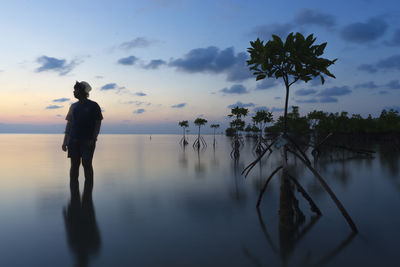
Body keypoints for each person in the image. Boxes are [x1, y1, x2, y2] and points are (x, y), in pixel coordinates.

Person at [62, 81, 103, 187]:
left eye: (76, 89)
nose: (74, 92)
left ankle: (88, 193)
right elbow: (69, 124)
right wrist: (65, 141)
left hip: (88, 140)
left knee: (87, 163)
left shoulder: (94, 106)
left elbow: (98, 122)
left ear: (82, 91)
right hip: (73, 140)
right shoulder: (73, 106)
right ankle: (74, 193)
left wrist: (93, 138)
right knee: (74, 165)